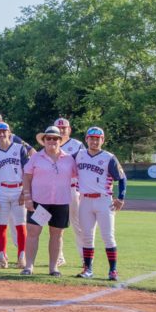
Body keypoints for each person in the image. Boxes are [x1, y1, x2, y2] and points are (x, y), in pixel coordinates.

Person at [21, 126, 78, 276]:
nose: (52, 141)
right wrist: (27, 197)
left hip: (61, 202)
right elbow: (27, 176)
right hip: (40, 201)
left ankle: (53, 268)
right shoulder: (35, 158)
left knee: (57, 235)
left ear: (60, 141)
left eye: (55, 138)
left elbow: (81, 175)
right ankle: (29, 267)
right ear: (44, 141)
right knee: (33, 232)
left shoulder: (69, 159)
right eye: (49, 138)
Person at [74, 126, 126, 281]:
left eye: (98, 138)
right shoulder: (78, 155)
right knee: (87, 236)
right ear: (86, 139)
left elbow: (122, 178)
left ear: (102, 140)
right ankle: (88, 269)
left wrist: (121, 197)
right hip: (84, 200)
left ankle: (113, 271)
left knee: (108, 236)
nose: (94, 141)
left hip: (104, 200)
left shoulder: (109, 157)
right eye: (92, 138)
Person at [0, 122, 30, 269]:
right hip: (2, 190)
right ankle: (2, 258)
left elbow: (27, 171)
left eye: (5, 131)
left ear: (9, 133)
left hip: (18, 189)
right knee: (1, 225)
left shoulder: (19, 148)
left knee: (20, 225)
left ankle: (22, 257)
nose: (2, 134)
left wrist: (25, 192)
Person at [54, 117, 85, 267]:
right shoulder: (50, 143)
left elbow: (84, 166)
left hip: (73, 189)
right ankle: (59, 256)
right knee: (57, 225)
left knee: (78, 224)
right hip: (57, 190)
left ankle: (84, 256)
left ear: (69, 129)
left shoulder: (77, 145)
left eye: (64, 128)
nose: (61, 130)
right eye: (58, 128)